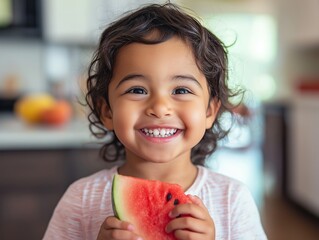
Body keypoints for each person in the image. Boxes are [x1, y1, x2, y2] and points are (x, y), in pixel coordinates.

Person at [43, 3, 267, 240]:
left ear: (210, 111)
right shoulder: (81, 199)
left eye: (181, 90)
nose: (160, 108)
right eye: (137, 90)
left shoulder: (232, 199)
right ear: (107, 111)